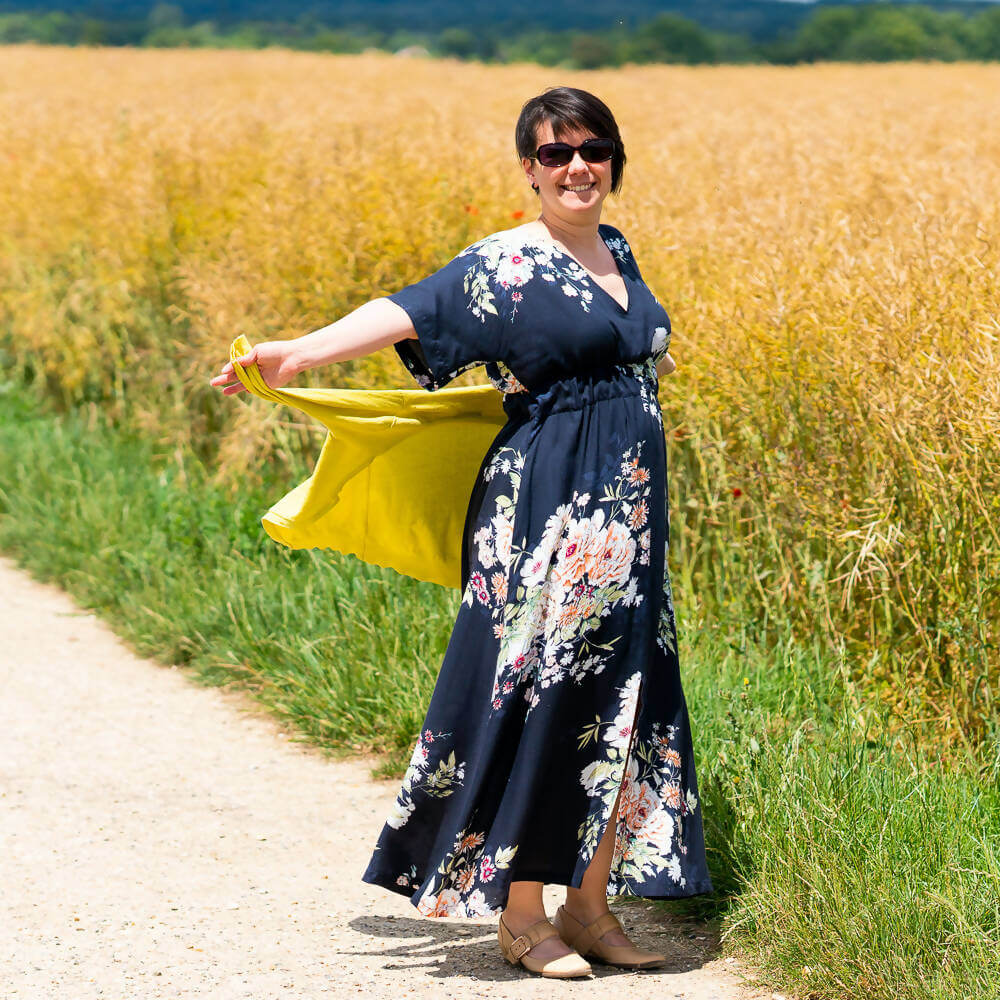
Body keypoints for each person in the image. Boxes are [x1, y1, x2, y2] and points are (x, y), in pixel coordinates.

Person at [210, 85, 712, 979]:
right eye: (556, 153)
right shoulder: (505, 262)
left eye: (593, 150)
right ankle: (521, 918)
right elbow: (412, 309)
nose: (577, 167)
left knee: (621, 698)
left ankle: (590, 907)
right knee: (541, 692)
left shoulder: (618, 251)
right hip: (548, 510)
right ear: (529, 169)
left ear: (614, 160)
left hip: (629, 524)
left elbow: (625, 349)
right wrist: (298, 353)